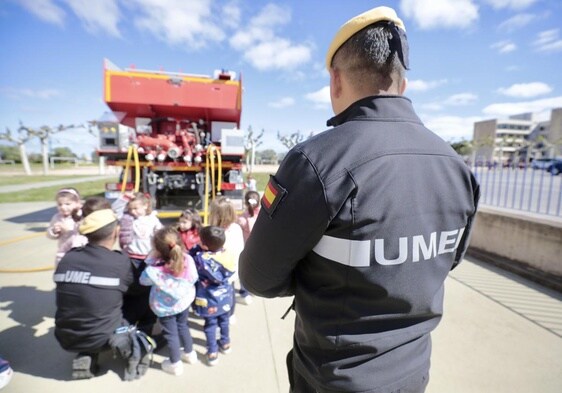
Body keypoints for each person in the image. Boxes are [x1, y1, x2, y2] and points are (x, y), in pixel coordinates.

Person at [239, 6, 480, 393]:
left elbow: (258, 277)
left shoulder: (317, 161)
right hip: (413, 374)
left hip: (333, 379)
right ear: (402, 83)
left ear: (336, 80)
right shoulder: (456, 167)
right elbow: (444, 261)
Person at [54, 209, 156, 380]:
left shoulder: (68, 258)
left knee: (90, 297)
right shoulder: (118, 261)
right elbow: (138, 288)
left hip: (67, 336)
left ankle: (87, 353)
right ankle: (139, 341)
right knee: (146, 292)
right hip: (105, 337)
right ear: (116, 231)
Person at [139, 226, 199, 376]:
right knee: (183, 326)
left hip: (165, 308)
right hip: (184, 303)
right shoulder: (188, 259)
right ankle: (190, 353)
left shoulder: (153, 270)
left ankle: (175, 364)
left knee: (171, 335)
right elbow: (194, 278)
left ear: (157, 250)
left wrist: (151, 258)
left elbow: (143, 281)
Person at [112, 192, 163, 334]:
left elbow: (160, 234)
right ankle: (130, 316)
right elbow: (115, 210)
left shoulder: (152, 219)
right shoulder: (128, 219)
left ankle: (147, 317)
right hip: (131, 257)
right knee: (132, 285)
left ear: (146, 206)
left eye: (136, 208)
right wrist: (124, 197)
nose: (133, 211)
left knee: (147, 286)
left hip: (147, 258)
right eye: (131, 208)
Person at [191, 226, 235, 366]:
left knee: (210, 325)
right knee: (224, 321)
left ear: (204, 244)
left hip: (209, 299)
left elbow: (190, 258)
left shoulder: (201, 260)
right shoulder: (227, 254)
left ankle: (212, 351)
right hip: (225, 296)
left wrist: (196, 248)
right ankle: (225, 343)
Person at [209, 197, 245, 320]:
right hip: (229, 268)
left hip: (224, 269)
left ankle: (228, 314)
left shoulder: (215, 231)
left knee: (227, 293)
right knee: (228, 292)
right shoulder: (236, 228)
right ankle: (227, 314)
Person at [47, 188, 86, 264]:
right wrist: (54, 231)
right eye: (60, 204)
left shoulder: (82, 215)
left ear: (77, 203)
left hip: (81, 251)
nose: (63, 207)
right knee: (62, 269)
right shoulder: (57, 217)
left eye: (68, 204)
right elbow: (49, 234)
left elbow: (85, 232)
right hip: (63, 253)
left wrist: (69, 230)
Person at [236, 190, 262, 305]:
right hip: (260, 250)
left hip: (246, 249)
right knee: (257, 271)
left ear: (246, 203)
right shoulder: (263, 215)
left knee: (244, 272)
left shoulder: (242, 218)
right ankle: (255, 289)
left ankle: (245, 293)